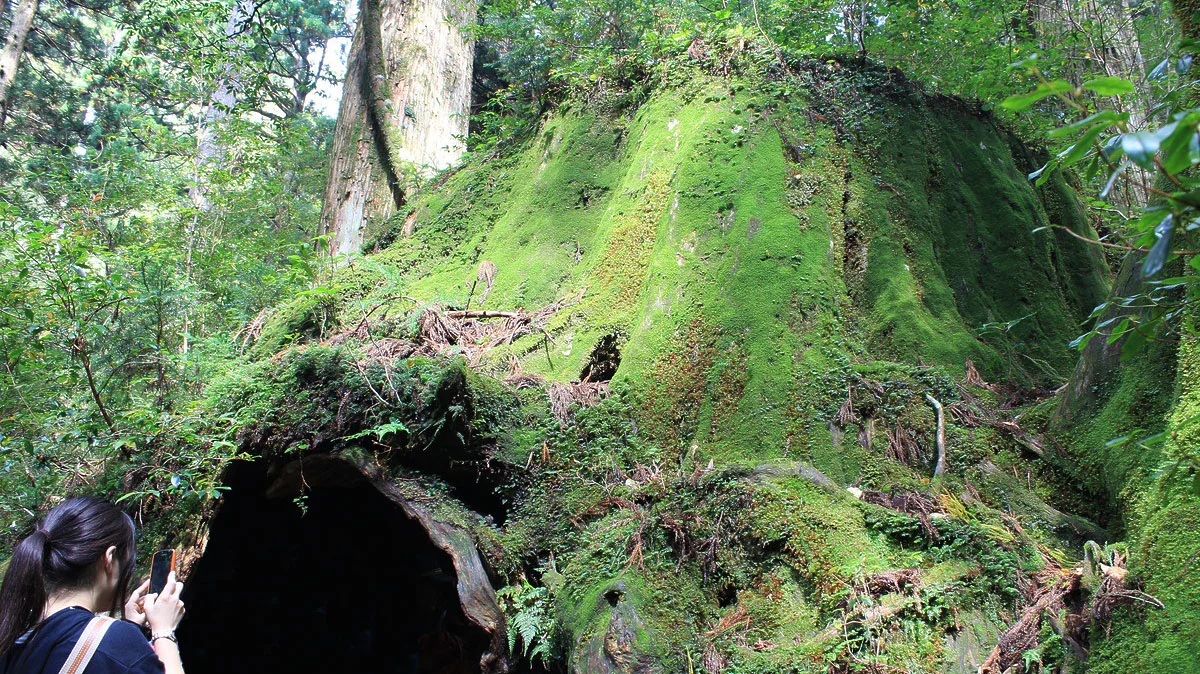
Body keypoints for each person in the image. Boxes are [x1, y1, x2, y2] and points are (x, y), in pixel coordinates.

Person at [0, 497, 186, 674]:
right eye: (128, 564)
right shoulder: (116, 642)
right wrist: (163, 632)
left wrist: (130, 627)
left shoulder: (15, 635)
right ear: (110, 559)